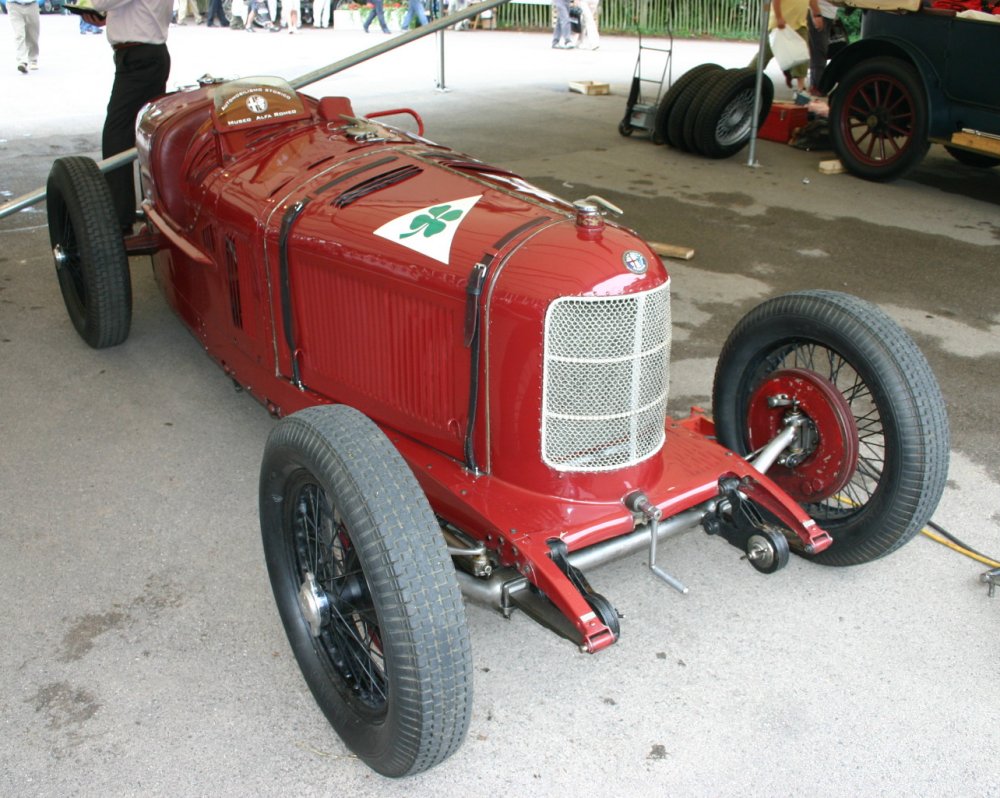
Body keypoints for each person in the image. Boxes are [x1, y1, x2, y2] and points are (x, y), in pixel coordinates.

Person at [81, 0, 172, 233]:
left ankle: (119, 218)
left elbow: (100, 1)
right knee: (145, 134)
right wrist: (106, 16)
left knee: (117, 133)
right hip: (144, 53)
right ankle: (152, 210)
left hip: (140, 56)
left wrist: (97, 9)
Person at [750, 0, 821, 104]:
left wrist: (817, 15)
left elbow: (812, 2)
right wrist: (779, 17)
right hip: (779, 24)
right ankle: (745, 75)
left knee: (802, 54)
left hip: (800, 25)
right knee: (765, 54)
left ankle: (801, 90)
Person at [807, 0, 837, 96]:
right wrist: (816, 15)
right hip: (820, 13)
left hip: (828, 14)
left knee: (821, 50)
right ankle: (816, 86)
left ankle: (817, 85)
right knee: (819, 51)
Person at [8, 0, 40, 74]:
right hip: (13, 5)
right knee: (19, 34)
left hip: (32, 5)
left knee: (33, 34)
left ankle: (33, 60)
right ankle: (21, 61)